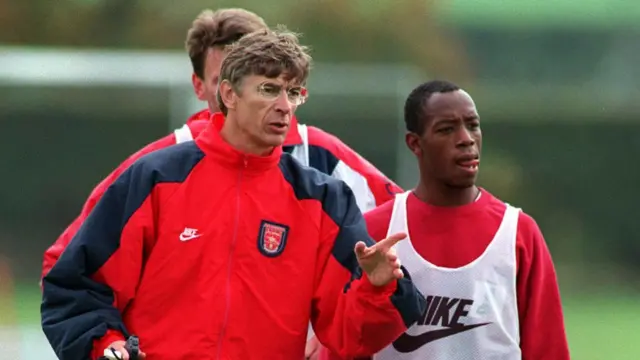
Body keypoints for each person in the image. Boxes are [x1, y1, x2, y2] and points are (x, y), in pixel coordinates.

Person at [41, 27, 425, 360]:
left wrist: (379, 287)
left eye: (293, 92)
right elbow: (77, 285)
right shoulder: (157, 178)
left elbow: (350, 333)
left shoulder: (323, 199)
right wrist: (108, 346)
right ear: (228, 93)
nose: (284, 106)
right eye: (269, 89)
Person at [41, 7, 402, 283]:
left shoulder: (321, 158)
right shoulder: (154, 169)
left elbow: (408, 232)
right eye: (224, 82)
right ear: (200, 86)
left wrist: (328, 332)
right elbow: (66, 266)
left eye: (261, 81)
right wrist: (117, 343)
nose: (238, 94)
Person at [322, 80, 570, 360]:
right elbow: (342, 346)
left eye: (472, 125)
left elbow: (548, 348)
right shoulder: (375, 232)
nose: (466, 138)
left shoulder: (519, 233)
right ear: (415, 143)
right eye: (446, 129)